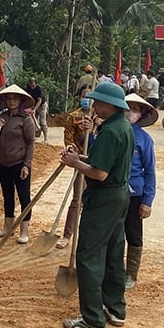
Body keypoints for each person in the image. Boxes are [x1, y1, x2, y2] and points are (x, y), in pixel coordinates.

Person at [60, 82, 134, 328]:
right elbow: (102, 161)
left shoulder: (111, 131)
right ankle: (115, 309)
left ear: (110, 105)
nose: (94, 106)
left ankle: (92, 318)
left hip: (103, 198)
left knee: (89, 255)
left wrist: (75, 164)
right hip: (120, 195)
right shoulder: (122, 127)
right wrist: (78, 157)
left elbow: (100, 173)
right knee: (114, 253)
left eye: (98, 102)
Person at [0, 84, 35, 244]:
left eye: (15, 98)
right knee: (7, 196)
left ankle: (24, 230)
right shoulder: (2, 117)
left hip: (19, 164)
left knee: (24, 197)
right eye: (8, 98)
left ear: (21, 100)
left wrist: (26, 164)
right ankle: (7, 227)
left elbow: (30, 143)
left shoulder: (26, 120)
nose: (11, 101)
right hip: (4, 164)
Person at [122, 94, 157, 290]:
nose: (130, 113)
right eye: (128, 108)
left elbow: (150, 171)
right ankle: (115, 270)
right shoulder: (110, 132)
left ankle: (131, 274)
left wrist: (148, 200)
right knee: (114, 234)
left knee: (133, 235)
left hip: (135, 194)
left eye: (135, 109)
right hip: (112, 191)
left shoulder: (144, 140)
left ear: (141, 114)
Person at [56, 84, 97, 250]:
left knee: (95, 202)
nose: (87, 99)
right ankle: (67, 235)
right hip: (80, 162)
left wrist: (94, 129)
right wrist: (73, 152)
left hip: (98, 163)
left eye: (90, 95)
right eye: (84, 95)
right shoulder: (73, 117)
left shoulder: (102, 118)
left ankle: (90, 237)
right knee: (77, 199)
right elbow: (68, 141)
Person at [26, 77, 48, 144]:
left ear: (36, 83)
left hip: (41, 105)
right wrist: (30, 107)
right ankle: (34, 136)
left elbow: (40, 100)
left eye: (33, 85)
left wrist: (35, 109)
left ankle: (45, 138)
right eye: (30, 85)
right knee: (32, 121)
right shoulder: (28, 87)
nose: (32, 86)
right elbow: (29, 98)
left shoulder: (39, 89)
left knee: (42, 121)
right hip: (33, 104)